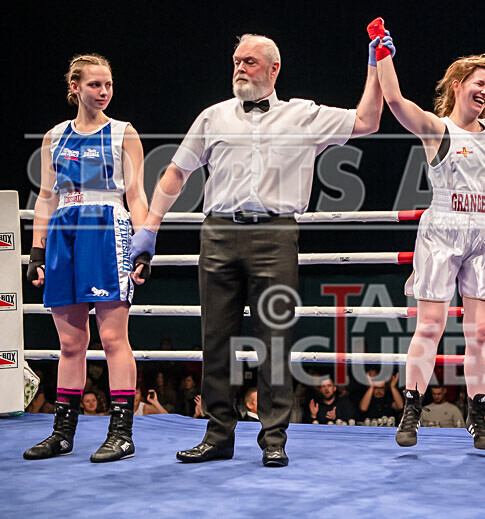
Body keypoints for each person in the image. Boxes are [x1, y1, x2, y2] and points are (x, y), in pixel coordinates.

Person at [130, 32, 382, 467]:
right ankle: (218, 435)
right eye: (236, 61)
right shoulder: (213, 116)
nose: (240, 68)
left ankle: (273, 438)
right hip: (218, 234)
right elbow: (176, 172)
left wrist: (376, 66)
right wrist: (151, 226)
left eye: (249, 61)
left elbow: (368, 121)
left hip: (276, 235)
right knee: (216, 341)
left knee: (275, 340)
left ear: (273, 69)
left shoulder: (304, 114)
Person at [376, 25, 485, 450]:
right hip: (442, 229)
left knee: (481, 334)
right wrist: (382, 53)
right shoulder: (436, 128)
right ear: (458, 85)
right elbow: (395, 100)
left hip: (484, 230)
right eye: (479, 83)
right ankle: (411, 409)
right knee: (430, 325)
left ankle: (477, 415)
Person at [23, 54, 148, 463]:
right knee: (70, 342)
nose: (104, 92)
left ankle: (121, 433)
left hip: (107, 227)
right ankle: (62, 433)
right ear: (75, 87)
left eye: (108, 85)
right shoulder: (54, 136)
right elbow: (45, 196)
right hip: (63, 230)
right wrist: (37, 250)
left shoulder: (123, 133)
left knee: (113, 339)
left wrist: (144, 245)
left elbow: (137, 194)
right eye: (95, 85)